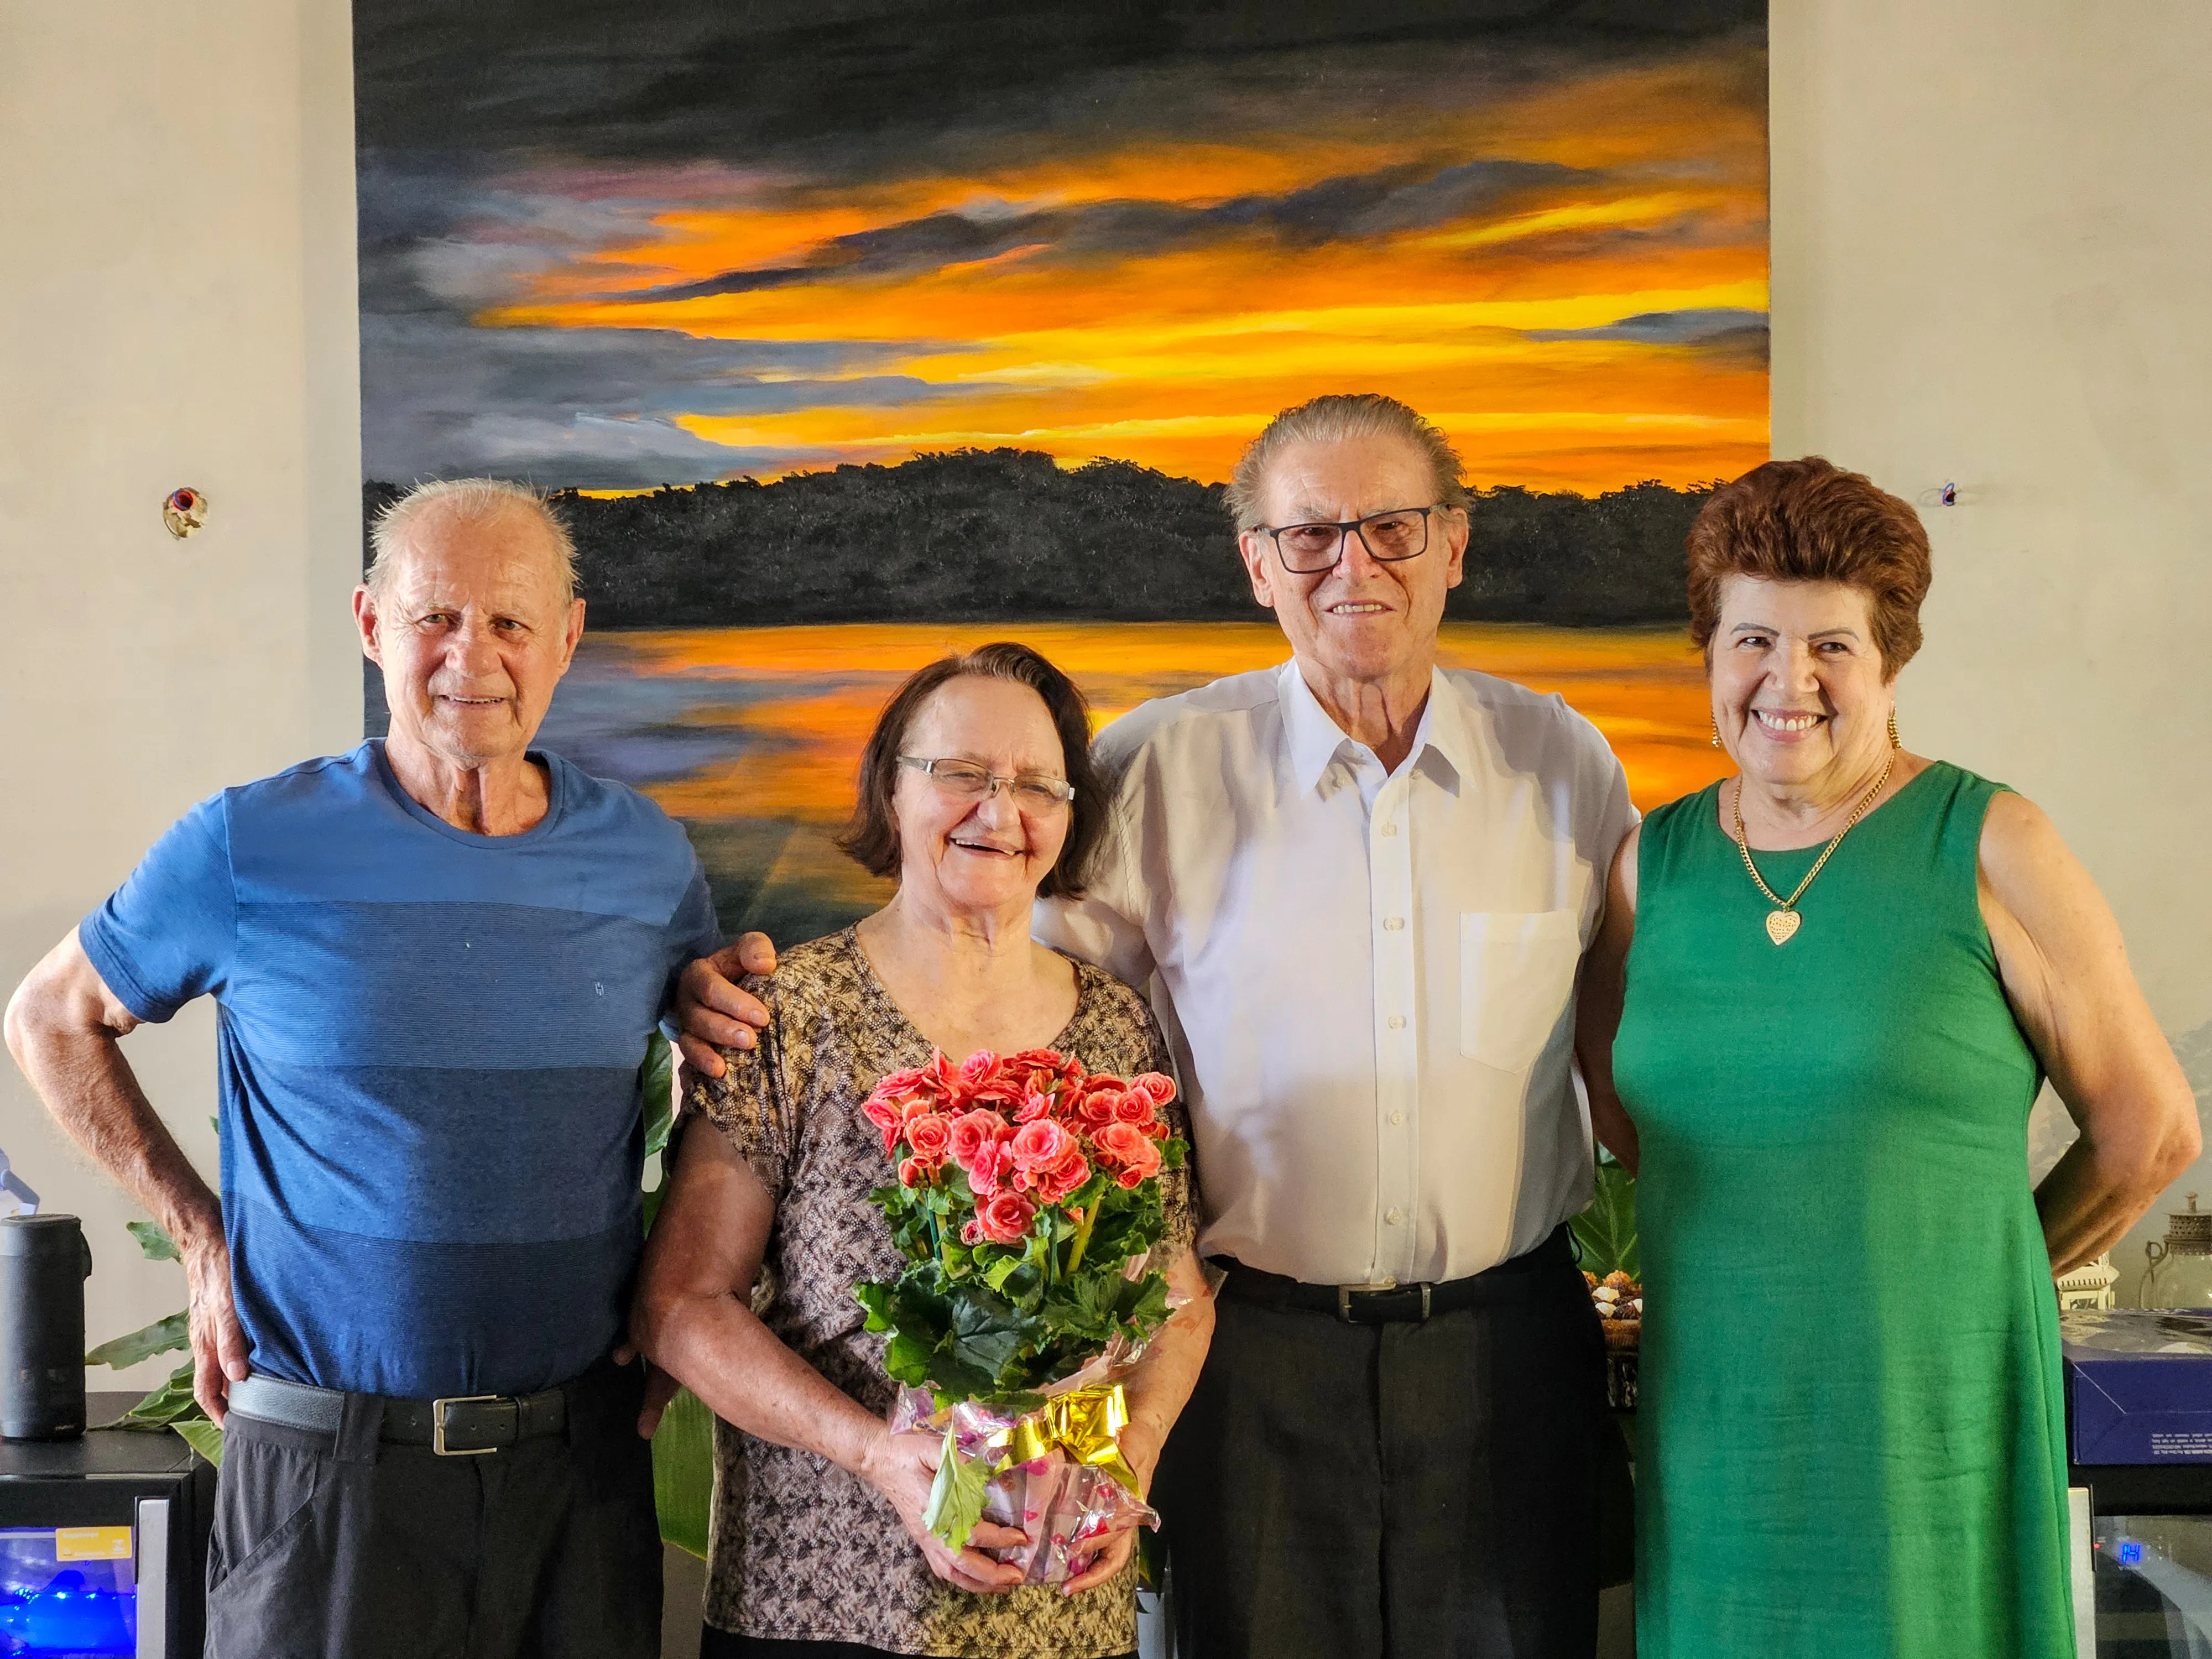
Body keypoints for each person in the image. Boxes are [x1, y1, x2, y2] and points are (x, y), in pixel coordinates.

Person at [682, 393, 1639, 1657]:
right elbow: (990, 966)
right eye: (1308, 536)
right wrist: (739, 988)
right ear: (1257, 566)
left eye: (1393, 528)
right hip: (1254, 1359)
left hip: (1506, 1347)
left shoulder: (1562, 762)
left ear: (1454, 544)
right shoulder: (1157, 766)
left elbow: (1621, 1048)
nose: (1353, 565)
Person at [3, 478, 773, 1659]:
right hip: (328, 1476)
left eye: (512, 622)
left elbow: (681, 1046)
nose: (475, 655)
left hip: (576, 1475)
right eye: (437, 618)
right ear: (370, 626)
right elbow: (51, 1019)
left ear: (567, 638)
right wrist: (202, 1238)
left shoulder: (647, 857)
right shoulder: (247, 843)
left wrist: (703, 998)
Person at [1575, 457, 2201, 1658]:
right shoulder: (1645, 869)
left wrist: (1977, 1272)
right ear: (1707, 652)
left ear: (1889, 667)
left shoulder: (1990, 841)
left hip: (1933, 1404)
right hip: (1718, 1411)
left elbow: (2151, 1129)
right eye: (1751, 640)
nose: (1785, 683)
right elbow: (1619, 1100)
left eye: (1830, 649)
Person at [636, 641, 1215, 1659]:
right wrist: (879, 1455)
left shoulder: (1119, 1031)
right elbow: (685, 1308)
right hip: (818, 1602)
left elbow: (1178, 1294)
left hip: (1059, 1616)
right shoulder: (793, 1015)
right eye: (962, 776)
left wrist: (1136, 1453)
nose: (1002, 812)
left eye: (1038, 784)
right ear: (891, 795)